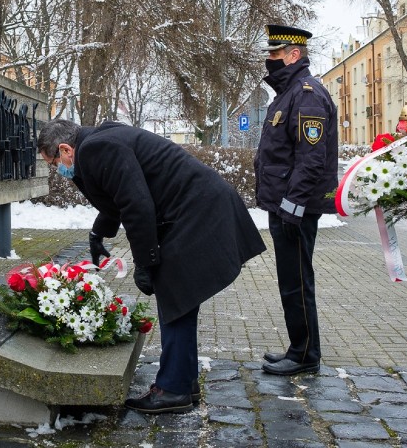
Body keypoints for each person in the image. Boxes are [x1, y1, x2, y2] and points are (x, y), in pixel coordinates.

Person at [37, 119, 266, 414]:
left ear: (66, 149)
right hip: (196, 206)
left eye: (54, 161)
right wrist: (98, 233)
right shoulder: (97, 141)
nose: (57, 169)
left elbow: (136, 204)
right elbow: (116, 198)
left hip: (196, 209)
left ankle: (174, 389)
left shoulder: (96, 148)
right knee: (180, 297)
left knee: (175, 293)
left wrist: (145, 262)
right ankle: (182, 381)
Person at [254, 24, 338, 376]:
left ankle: (305, 355)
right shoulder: (289, 93)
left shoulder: (306, 94)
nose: (270, 61)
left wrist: (294, 205)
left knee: (297, 281)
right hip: (285, 204)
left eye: (275, 55)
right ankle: (299, 348)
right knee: (291, 279)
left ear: (294, 55)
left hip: (295, 208)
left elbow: (311, 158)